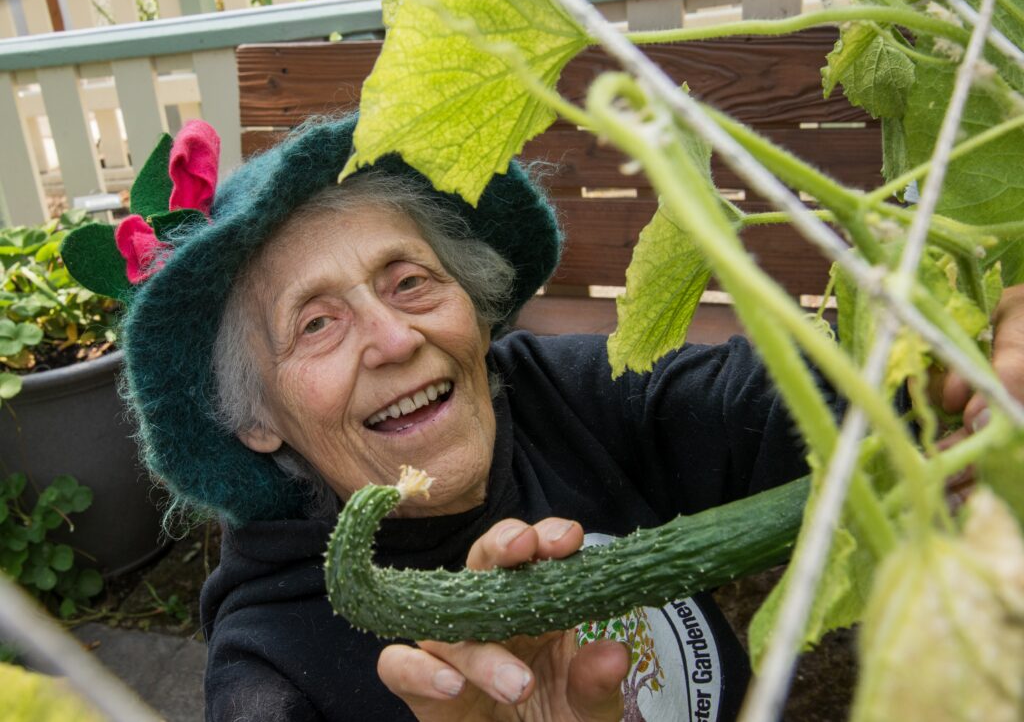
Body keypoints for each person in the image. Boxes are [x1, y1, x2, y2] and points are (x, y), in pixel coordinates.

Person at [64, 114, 1024, 722]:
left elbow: (757, 403)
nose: (394, 337)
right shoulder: (271, 669)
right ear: (257, 418)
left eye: (411, 280)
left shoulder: (556, 390)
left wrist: (940, 378)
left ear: (474, 305)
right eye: (316, 324)